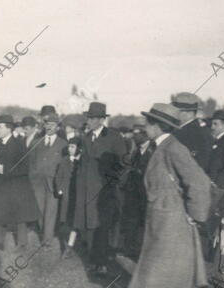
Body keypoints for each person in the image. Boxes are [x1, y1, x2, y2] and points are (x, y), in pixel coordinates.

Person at [129, 103, 211, 288]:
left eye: (148, 123)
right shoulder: (161, 147)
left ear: (157, 126)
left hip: (171, 226)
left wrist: (195, 215)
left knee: (160, 281)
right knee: (172, 283)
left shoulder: (173, 148)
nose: (145, 127)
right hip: (163, 224)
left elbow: (199, 182)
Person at [75, 102, 127, 276]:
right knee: (89, 226)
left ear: (100, 120)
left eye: (91, 118)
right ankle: (93, 260)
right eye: (88, 118)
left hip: (104, 191)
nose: (88, 121)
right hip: (85, 189)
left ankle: (102, 262)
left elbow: (122, 164)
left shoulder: (114, 137)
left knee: (102, 226)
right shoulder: (85, 137)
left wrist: (112, 183)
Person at [0, 115, 40, 252]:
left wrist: (6, 170)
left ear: (9, 129)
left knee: (20, 216)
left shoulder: (18, 144)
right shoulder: (0, 144)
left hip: (16, 185)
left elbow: (25, 167)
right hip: (1, 185)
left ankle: (22, 243)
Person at [29, 111, 67, 247]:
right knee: (39, 210)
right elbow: (31, 162)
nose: (49, 127)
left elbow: (65, 165)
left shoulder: (63, 144)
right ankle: (43, 231)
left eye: (53, 125)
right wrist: (33, 176)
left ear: (57, 127)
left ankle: (47, 239)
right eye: (47, 125)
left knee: (51, 211)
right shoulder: (35, 142)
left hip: (53, 183)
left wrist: (60, 183)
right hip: (38, 182)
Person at [120, 124, 155, 260]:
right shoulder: (136, 151)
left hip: (145, 193)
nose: (135, 136)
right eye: (133, 134)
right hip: (133, 193)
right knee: (131, 222)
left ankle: (143, 252)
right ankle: (130, 249)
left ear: (145, 135)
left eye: (137, 133)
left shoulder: (153, 150)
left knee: (144, 224)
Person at [171, 92, 213, 173]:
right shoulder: (203, 131)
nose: (173, 114)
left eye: (177, 111)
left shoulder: (188, 133)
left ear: (189, 113)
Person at [55, 136, 82, 258]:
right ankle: (67, 243)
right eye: (69, 147)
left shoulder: (82, 162)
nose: (70, 149)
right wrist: (59, 188)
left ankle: (70, 246)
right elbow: (58, 176)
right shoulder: (64, 161)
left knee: (76, 221)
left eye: (73, 147)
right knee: (66, 219)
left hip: (78, 195)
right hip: (66, 194)